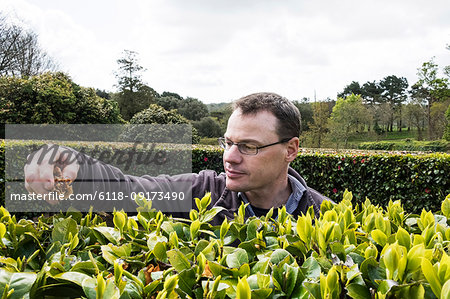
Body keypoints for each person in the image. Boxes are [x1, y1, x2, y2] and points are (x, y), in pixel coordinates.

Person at [24, 92, 329, 225]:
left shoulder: (326, 216)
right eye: (228, 142)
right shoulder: (201, 193)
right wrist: (67, 161)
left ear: (290, 149)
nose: (230, 158)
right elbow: (130, 192)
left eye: (249, 147)